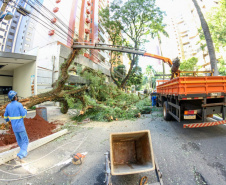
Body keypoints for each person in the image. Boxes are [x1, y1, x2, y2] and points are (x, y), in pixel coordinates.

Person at [4, 90, 29, 163]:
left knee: (19, 141)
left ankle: (22, 155)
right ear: (15, 97)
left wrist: (10, 119)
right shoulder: (19, 105)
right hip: (20, 127)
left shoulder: (8, 106)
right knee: (25, 141)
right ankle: (20, 155)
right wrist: (25, 109)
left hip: (14, 128)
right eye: (16, 96)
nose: (17, 97)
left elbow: (5, 118)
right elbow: (24, 115)